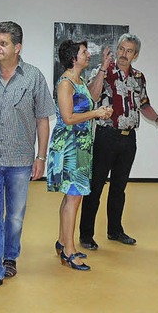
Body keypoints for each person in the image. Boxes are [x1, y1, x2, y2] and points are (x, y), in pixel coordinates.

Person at [0, 21, 55, 294]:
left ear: (17, 47)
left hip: (20, 160)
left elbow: (43, 120)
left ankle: (10, 257)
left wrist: (41, 156)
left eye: (2, 43)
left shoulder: (34, 77)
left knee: (14, 216)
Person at [79, 33, 158, 250]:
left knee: (119, 188)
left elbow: (144, 105)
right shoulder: (104, 72)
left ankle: (115, 230)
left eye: (129, 51)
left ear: (136, 55)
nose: (123, 54)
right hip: (105, 136)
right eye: (121, 48)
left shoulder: (139, 77)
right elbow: (92, 98)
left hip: (128, 140)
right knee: (95, 188)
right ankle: (86, 234)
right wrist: (102, 70)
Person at [47, 40, 112, 271]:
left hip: (81, 146)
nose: (88, 55)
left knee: (72, 196)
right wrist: (96, 113)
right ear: (73, 57)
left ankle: (63, 240)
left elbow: (93, 96)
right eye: (84, 52)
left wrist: (103, 68)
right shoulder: (65, 83)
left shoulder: (79, 80)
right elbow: (67, 118)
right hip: (69, 148)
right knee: (73, 197)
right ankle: (69, 251)